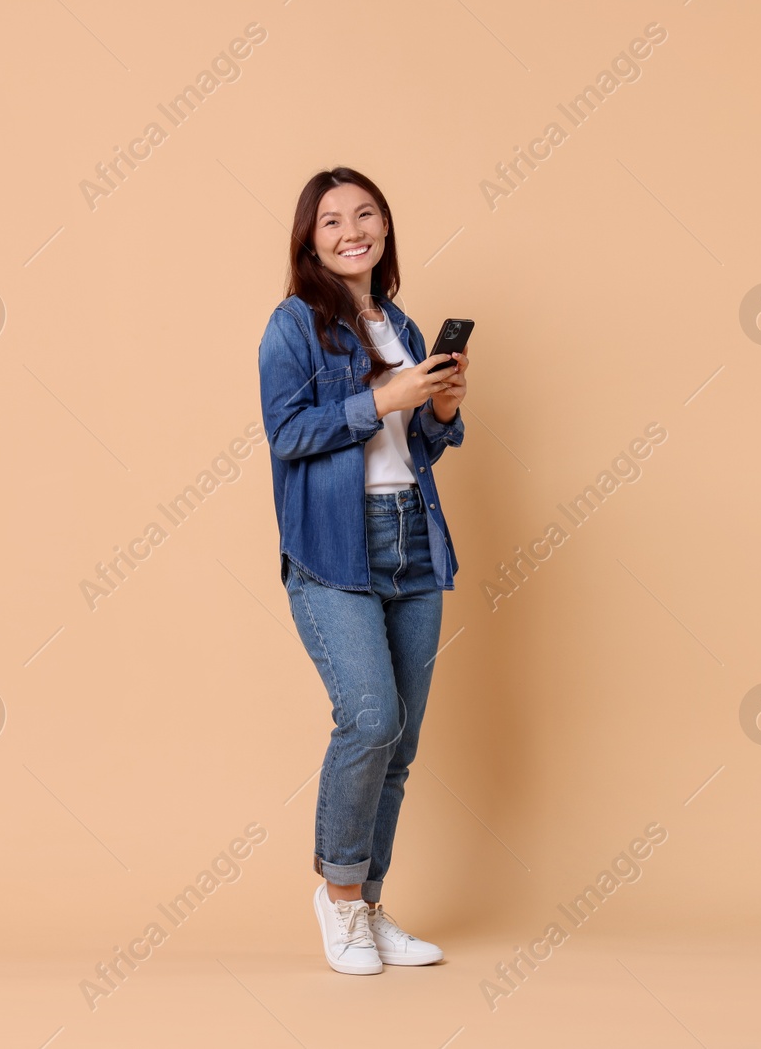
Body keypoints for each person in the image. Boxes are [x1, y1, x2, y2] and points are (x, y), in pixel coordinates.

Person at [257, 167, 469, 975]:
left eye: (366, 214)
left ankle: (372, 909)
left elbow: (417, 447)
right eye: (333, 220)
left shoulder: (402, 324)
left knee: (402, 742)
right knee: (371, 718)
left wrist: (440, 406)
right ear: (310, 239)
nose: (353, 230)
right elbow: (288, 433)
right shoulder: (293, 325)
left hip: (413, 536)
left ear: (385, 227)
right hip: (334, 546)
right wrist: (383, 398)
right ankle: (338, 901)